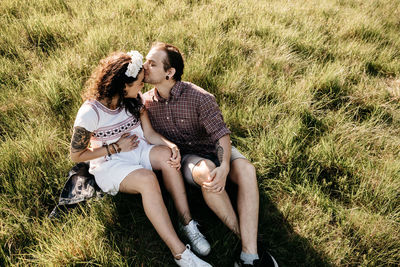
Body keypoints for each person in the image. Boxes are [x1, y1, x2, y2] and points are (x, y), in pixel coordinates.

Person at [142, 42, 279, 267]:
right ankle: (247, 243)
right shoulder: (145, 102)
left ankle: (250, 255)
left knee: (246, 169)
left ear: (170, 72)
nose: (145, 67)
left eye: (152, 63)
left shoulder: (199, 97)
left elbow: (221, 135)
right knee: (209, 174)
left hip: (215, 149)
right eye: (146, 61)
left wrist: (225, 165)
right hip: (190, 159)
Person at [69, 50, 211, 267]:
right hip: (110, 162)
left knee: (167, 157)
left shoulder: (133, 100)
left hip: (137, 148)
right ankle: (180, 253)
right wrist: (115, 147)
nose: (142, 88)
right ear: (121, 86)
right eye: (138, 84)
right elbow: (76, 154)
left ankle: (186, 222)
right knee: (147, 180)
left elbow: (150, 134)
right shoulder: (91, 112)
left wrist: (170, 145)